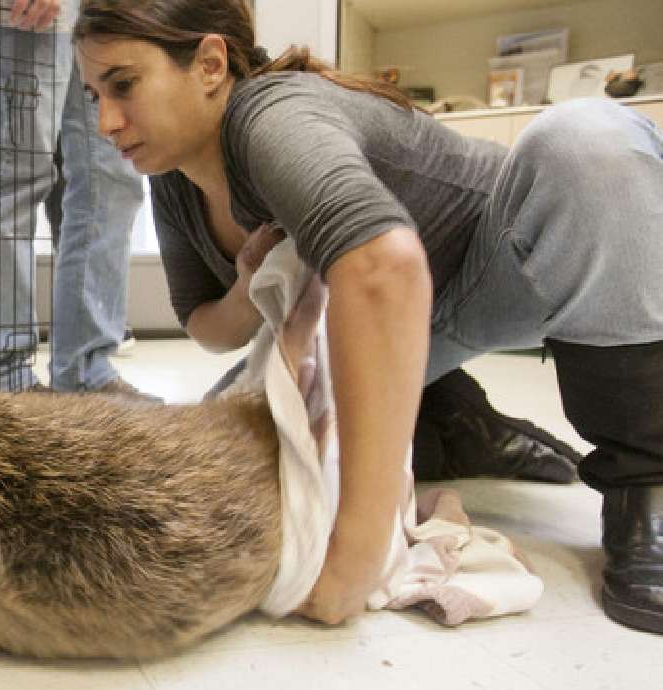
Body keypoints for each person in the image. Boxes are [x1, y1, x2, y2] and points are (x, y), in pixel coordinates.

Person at [72, 0, 663, 633]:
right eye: (92, 95)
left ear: (211, 64)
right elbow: (206, 327)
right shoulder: (172, 178)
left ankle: (646, 477)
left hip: (517, 262)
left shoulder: (271, 114)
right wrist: (246, 285)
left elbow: (384, 268)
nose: (106, 121)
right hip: (404, 328)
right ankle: (454, 424)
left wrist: (353, 564)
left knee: (584, 142)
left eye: (124, 85)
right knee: (233, 446)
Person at [0, 0, 155, 400]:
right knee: (16, 172)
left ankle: (86, 370)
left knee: (113, 179)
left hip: (90, 11)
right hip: (19, 12)